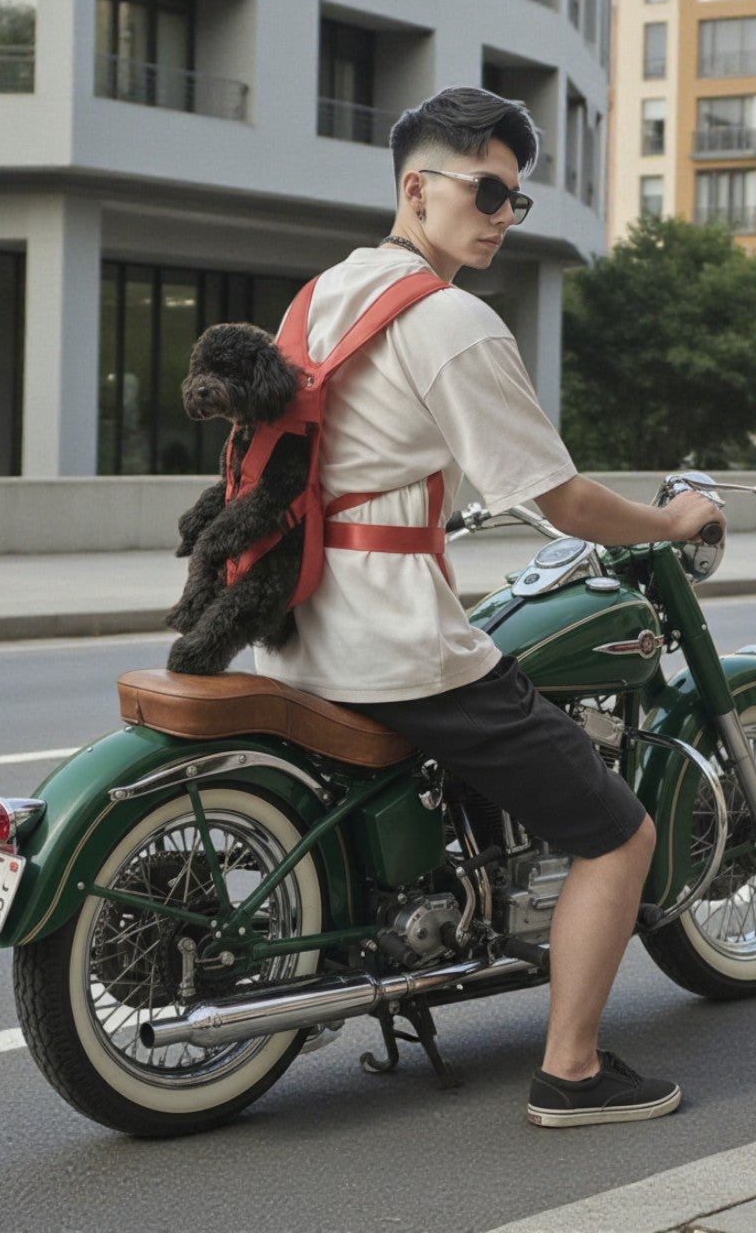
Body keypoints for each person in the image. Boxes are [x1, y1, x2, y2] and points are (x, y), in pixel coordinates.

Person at [253, 87, 721, 1128]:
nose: (504, 215)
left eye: (516, 197)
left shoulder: (319, 297)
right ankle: (573, 1071)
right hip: (394, 644)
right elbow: (564, 501)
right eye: (488, 190)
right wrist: (670, 519)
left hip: (291, 633)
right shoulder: (449, 318)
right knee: (619, 834)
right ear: (417, 187)